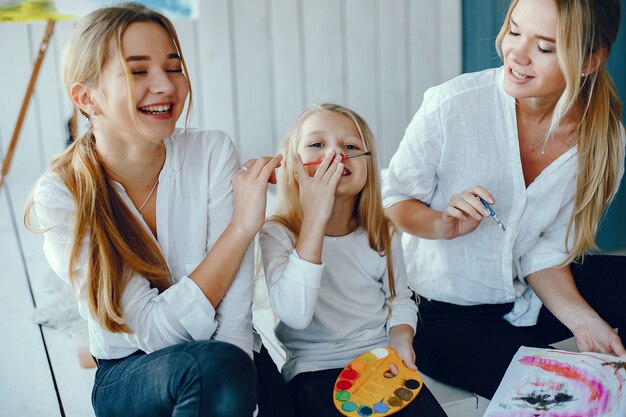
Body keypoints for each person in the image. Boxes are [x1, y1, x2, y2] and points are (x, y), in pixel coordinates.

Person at [24, 3, 288, 416]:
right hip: (130, 373)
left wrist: (240, 382)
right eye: (138, 70)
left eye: (174, 66)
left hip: (229, 354)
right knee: (214, 370)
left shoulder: (212, 151)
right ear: (86, 97)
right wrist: (240, 229)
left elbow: (235, 315)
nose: (165, 85)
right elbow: (148, 330)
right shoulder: (62, 196)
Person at [382, 0, 626, 400]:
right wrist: (442, 223)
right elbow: (395, 201)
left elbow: (545, 254)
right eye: (514, 30)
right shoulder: (451, 105)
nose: (517, 53)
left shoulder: (605, 143)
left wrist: (585, 322)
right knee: (556, 392)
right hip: (440, 312)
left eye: (545, 47)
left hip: (527, 295)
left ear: (589, 61)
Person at [259, 103, 448, 417]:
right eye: (317, 144)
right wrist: (315, 218)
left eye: (350, 146)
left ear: (368, 167)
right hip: (313, 370)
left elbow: (399, 297)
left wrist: (401, 337)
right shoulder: (278, 234)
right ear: (294, 167)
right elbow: (295, 314)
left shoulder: (381, 232)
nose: (336, 154)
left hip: (380, 361)